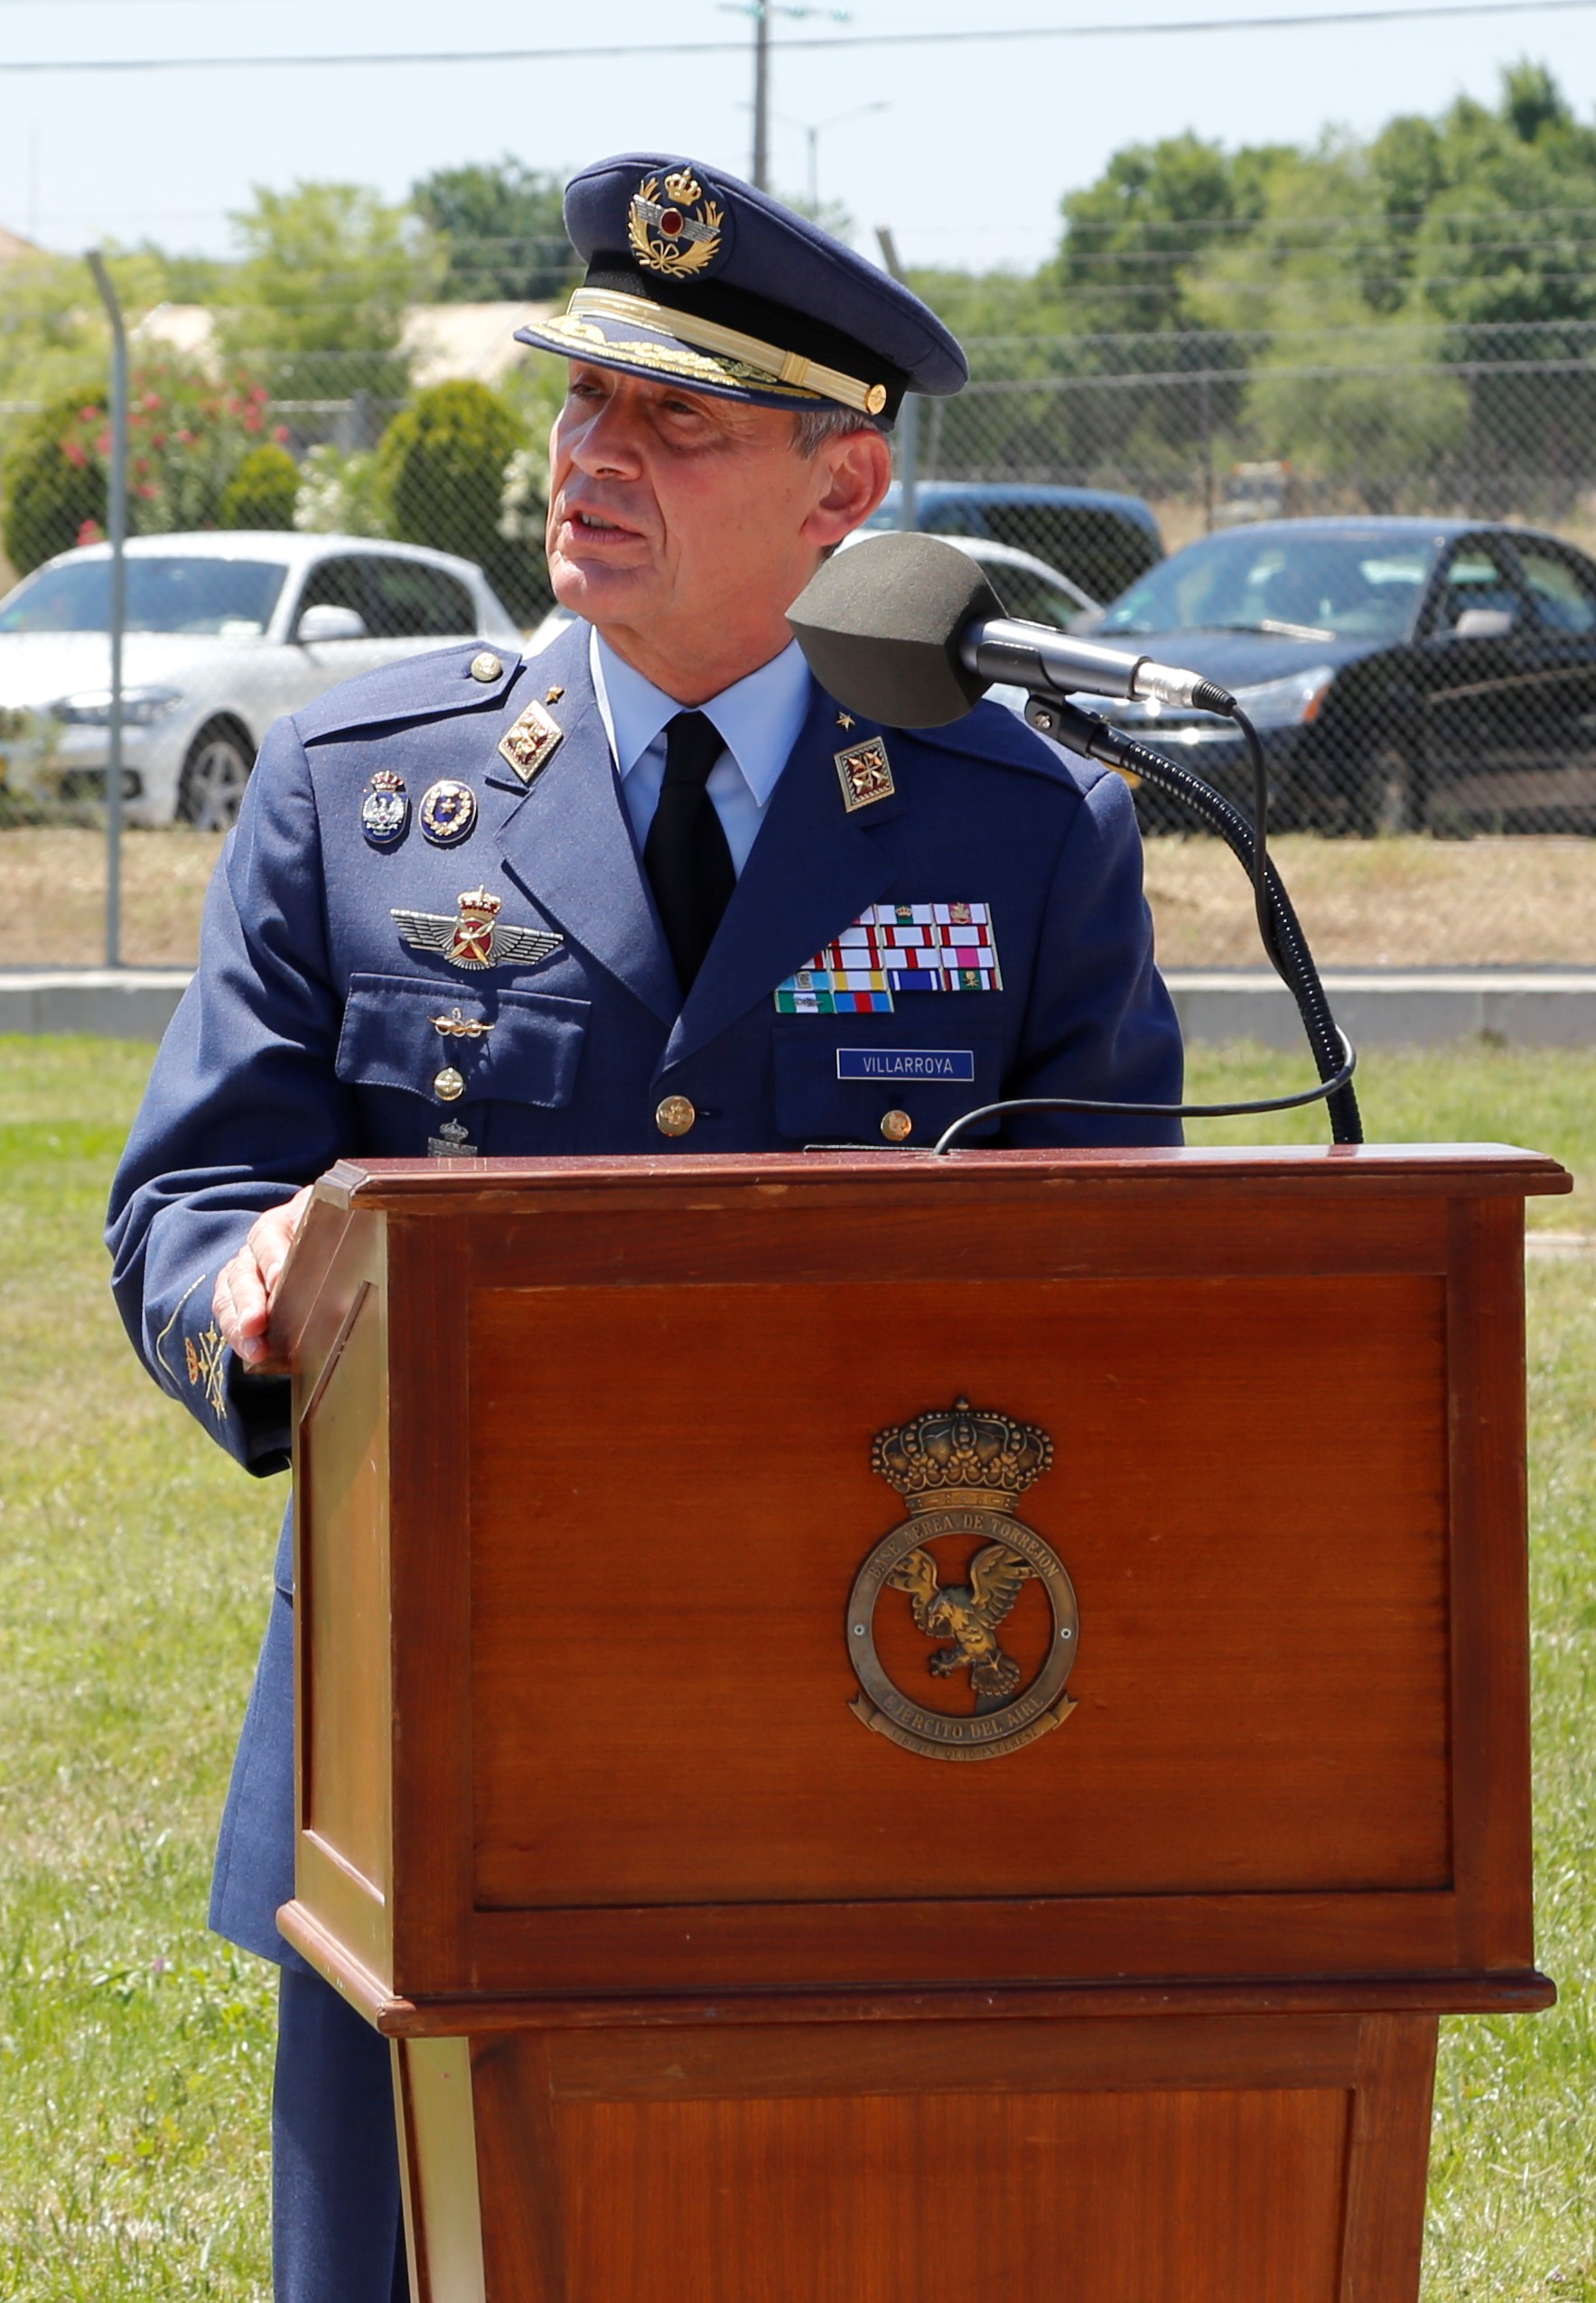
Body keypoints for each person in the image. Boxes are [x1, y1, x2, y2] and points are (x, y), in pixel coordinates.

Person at [107, 150, 1182, 2302]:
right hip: (425, 1756)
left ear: (840, 483)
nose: (591, 456)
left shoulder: (1020, 821)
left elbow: (1124, 1285)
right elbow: (190, 1190)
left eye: (673, 418)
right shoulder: (355, 789)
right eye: (581, 402)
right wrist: (242, 1292)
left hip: (875, 1735)